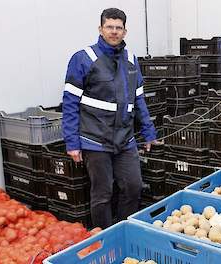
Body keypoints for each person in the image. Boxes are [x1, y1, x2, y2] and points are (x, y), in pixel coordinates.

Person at [62, 8, 157, 229]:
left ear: (125, 31)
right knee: (102, 194)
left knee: (133, 186)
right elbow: (69, 103)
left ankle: (125, 229)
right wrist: (72, 142)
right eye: (109, 27)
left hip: (125, 140)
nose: (114, 32)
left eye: (118, 28)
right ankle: (104, 237)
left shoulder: (132, 60)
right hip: (95, 140)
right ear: (100, 29)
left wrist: (149, 132)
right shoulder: (83, 59)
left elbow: (139, 100)